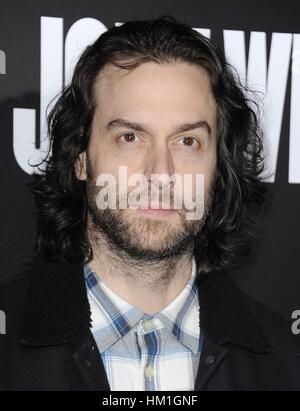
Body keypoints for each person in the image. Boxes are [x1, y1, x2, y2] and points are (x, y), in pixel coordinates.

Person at [0, 15, 299, 391]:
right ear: (80, 158)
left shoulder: (287, 364)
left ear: (219, 170)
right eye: (130, 137)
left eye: (187, 141)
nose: (161, 172)